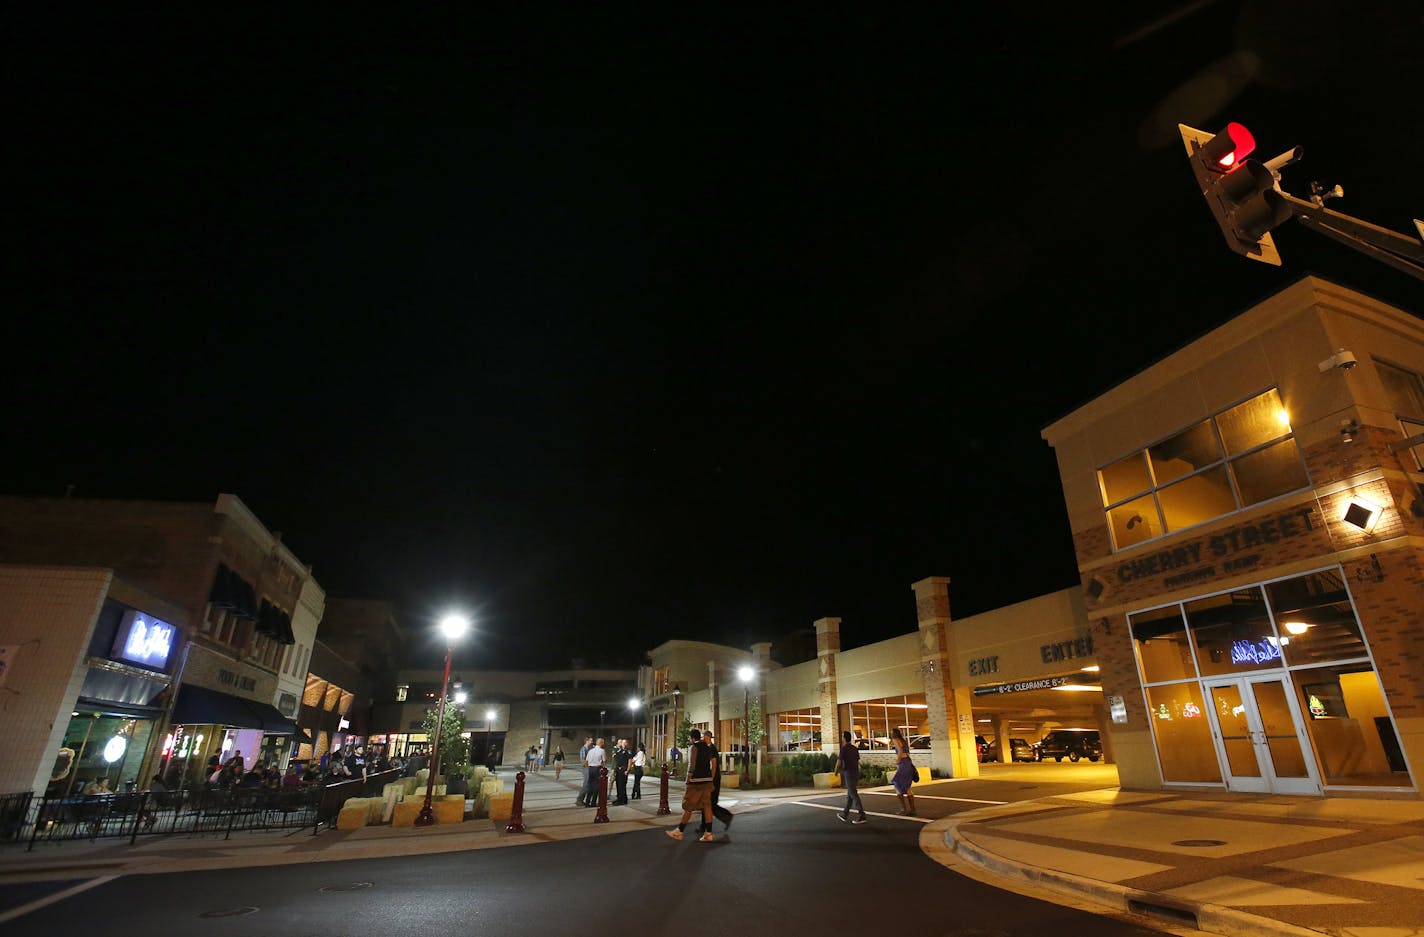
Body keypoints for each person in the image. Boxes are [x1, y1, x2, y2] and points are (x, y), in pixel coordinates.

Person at [666, 728, 716, 843]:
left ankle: (679, 831)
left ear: (692, 738)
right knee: (707, 806)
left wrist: (688, 779)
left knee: (688, 806)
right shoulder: (707, 747)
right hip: (707, 780)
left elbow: (691, 764)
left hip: (696, 781)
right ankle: (708, 833)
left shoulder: (694, 747)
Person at [702, 729, 733, 831]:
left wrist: (711, 780)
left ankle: (727, 816)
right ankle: (703, 826)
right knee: (706, 803)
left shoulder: (712, 749)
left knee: (711, 804)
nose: (702, 738)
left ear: (707, 737)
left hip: (714, 779)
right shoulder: (709, 748)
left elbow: (714, 766)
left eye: (703, 736)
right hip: (712, 778)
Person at [834, 730, 867, 824]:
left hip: (848, 773)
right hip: (855, 773)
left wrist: (836, 772)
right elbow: (857, 760)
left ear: (844, 738)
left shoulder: (844, 749)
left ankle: (862, 815)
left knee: (853, 794)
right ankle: (845, 814)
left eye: (842, 736)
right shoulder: (854, 748)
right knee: (850, 795)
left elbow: (839, 762)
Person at [889, 727, 917, 816]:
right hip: (908, 762)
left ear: (894, 734)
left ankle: (903, 809)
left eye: (891, 732)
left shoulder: (895, 739)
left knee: (897, 783)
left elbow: (900, 751)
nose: (890, 733)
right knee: (907, 787)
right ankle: (912, 810)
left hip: (903, 763)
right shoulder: (903, 741)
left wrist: (898, 760)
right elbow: (906, 752)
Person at [581, 737, 607, 808]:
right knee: (597, 786)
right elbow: (604, 761)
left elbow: (586, 761)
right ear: (601, 743)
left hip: (590, 768)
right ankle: (593, 802)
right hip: (597, 768)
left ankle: (587, 801)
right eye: (603, 742)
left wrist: (588, 767)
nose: (604, 744)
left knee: (590, 785)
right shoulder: (602, 751)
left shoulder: (590, 751)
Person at [612, 738, 632, 805]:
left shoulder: (628, 751)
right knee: (618, 785)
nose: (622, 744)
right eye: (622, 743)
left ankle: (622, 800)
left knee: (622, 785)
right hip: (618, 769)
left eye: (624, 743)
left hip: (623, 769)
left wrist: (627, 770)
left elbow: (630, 761)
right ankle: (620, 798)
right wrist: (615, 770)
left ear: (626, 744)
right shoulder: (619, 751)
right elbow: (617, 761)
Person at [575, 737, 593, 806]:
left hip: (590, 767)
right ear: (587, 741)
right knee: (586, 784)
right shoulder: (584, 749)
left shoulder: (590, 748)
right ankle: (579, 799)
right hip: (586, 768)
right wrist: (588, 766)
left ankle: (588, 799)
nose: (592, 742)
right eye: (591, 741)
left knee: (590, 784)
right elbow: (583, 760)